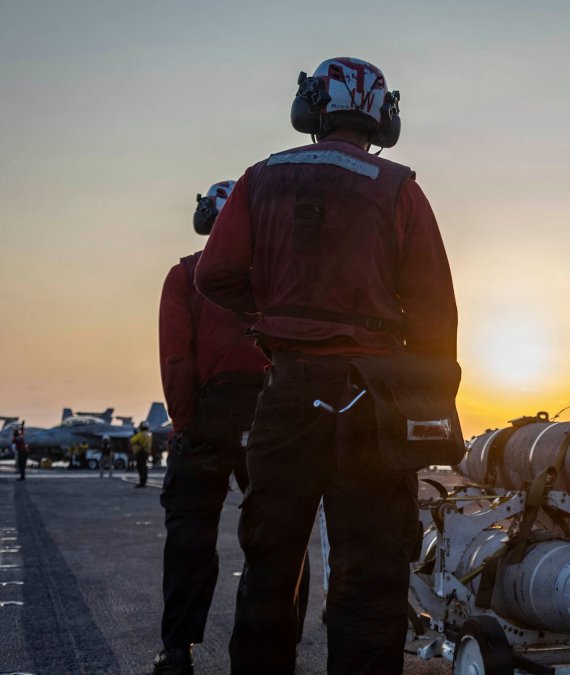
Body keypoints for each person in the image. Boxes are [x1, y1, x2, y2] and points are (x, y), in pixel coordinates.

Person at [195, 57, 457, 674]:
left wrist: (277, 309)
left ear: (312, 105)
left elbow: (214, 275)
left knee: (270, 564)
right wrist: (425, 400)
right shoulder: (398, 187)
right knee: (371, 572)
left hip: (290, 394)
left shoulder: (261, 178)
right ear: (383, 117)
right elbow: (433, 310)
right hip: (372, 401)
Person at [153, 180, 310, 675]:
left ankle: (176, 651)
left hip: (206, 417)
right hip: (272, 413)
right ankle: (278, 649)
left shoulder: (185, 274)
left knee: (190, 536)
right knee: (278, 537)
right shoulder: (280, 276)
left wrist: (183, 424)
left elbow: (176, 357)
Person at [130, 421, 152, 488]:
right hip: (146, 453)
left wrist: (135, 435)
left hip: (140, 453)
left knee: (140, 467)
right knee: (144, 467)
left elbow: (132, 441)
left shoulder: (140, 434)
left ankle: (142, 483)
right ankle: (143, 482)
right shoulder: (149, 435)